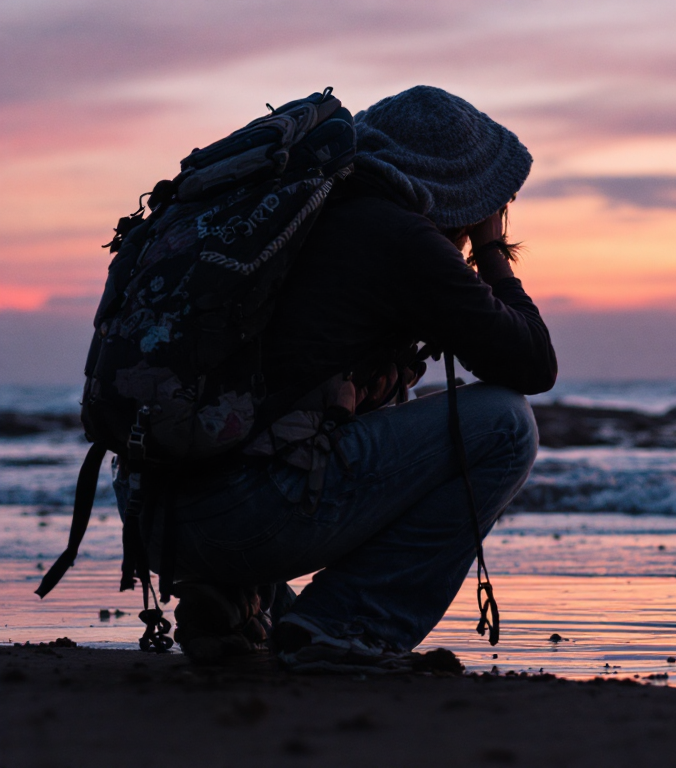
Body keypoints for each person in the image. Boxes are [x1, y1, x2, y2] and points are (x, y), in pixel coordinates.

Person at [111, 85, 557, 671]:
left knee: (363, 398)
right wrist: (492, 246)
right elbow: (531, 366)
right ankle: (345, 626)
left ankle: (239, 593)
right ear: (468, 194)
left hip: (154, 512)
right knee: (505, 423)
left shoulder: (294, 210)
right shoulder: (397, 235)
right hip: (238, 516)